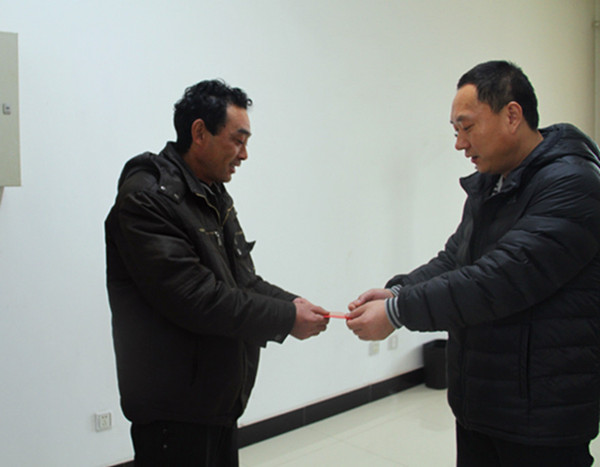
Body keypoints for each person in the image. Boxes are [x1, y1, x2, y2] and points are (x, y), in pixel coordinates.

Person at [346, 61, 600, 466]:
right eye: (455, 131)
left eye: (467, 127)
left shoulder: (572, 183)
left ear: (512, 115)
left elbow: (498, 279)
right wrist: (398, 290)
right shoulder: (492, 182)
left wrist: (398, 311)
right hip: (484, 404)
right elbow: (456, 258)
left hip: (542, 415)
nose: (460, 144)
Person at [105, 79, 329, 466]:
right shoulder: (147, 199)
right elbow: (197, 299)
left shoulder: (210, 192)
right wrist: (287, 318)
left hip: (215, 401)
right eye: (237, 140)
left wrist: (293, 303)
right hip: (173, 411)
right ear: (199, 133)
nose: (244, 154)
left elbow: (243, 280)